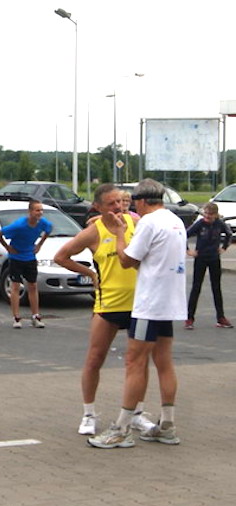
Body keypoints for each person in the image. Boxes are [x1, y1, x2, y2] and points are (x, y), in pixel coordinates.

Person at [88, 179, 187, 449]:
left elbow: (126, 260)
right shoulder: (175, 221)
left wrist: (120, 234)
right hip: (169, 301)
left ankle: (121, 428)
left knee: (134, 361)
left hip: (149, 304)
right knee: (164, 362)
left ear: (142, 201)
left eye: (133, 204)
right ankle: (167, 424)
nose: (132, 209)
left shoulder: (149, 222)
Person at [54, 184, 154, 436]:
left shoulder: (136, 223)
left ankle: (137, 413)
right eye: (111, 203)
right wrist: (89, 274)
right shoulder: (93, 231)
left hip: (139, 304)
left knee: (139, 362)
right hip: (108, 304)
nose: (118, 207)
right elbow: (61, 257)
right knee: (94, 359)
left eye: (121, 202)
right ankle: (89, 414)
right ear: (98, 207)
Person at [0, 200, 52, 328]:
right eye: (37, 210)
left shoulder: (42, 223)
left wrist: (39, 244)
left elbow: (49, 229)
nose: (40, 213)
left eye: (41, 210)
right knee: (15, 286)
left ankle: (35, 316)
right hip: (16, 257)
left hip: (30, 257)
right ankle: (16, 317)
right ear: (30, 211)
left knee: (33, 285)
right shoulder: (19, 225)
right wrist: (7, 248)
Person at [185, 202, 232, 329]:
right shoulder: (200, 224)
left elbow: (228, 234)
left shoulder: (219, 224)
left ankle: (220, 317)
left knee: (216, 288)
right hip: (201, 258)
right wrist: (188, 250)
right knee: (196, 287)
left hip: (214, 258)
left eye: (210, 214)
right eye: (205, 213)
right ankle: (189, 318)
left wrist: (224, 247)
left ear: (215, 215)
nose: (207, 216)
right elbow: (184, 235)